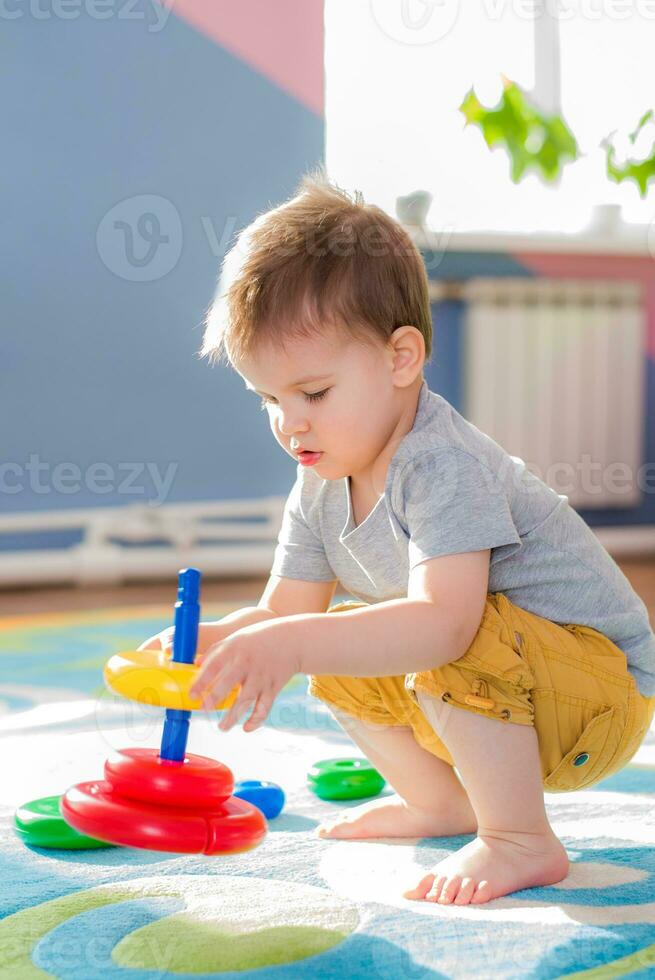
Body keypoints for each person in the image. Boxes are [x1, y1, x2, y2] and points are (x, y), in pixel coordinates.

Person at [138, 169, 655, 906]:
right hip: (517, 692)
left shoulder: (438, 462)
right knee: (333, 643)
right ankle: (442, 803)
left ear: (400, 358)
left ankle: (518, 839)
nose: (290, 424)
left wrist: (289, 642)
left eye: (312, 393)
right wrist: (215, 641)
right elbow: (288, 616)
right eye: (268, 400)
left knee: (440, 628)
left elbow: (446, 624)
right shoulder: (319, 479)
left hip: (600, 695)